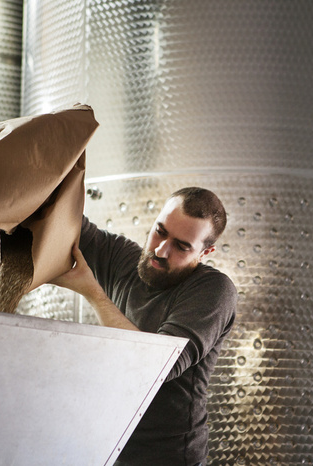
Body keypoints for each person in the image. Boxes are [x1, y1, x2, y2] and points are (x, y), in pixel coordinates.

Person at [50, 186, 237, 465]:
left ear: (205, 252)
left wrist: (93, 293)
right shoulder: (123, 258)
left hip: (167, 458)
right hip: (107, 449)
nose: (161, 250)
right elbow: (62, 220)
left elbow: (156, 365)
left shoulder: (213, 290)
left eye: (182, 246)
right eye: (160, 231)